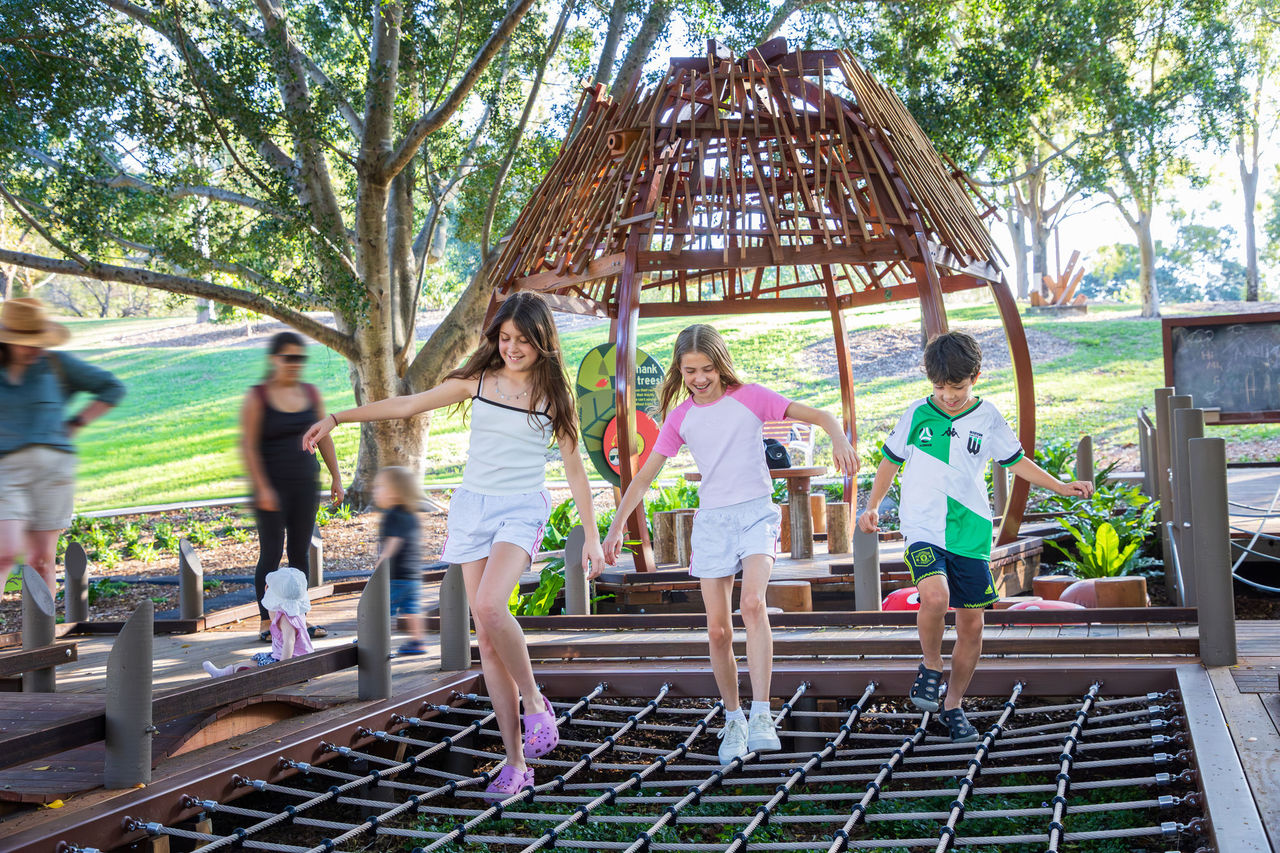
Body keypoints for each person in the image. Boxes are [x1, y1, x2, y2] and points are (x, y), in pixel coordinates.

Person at [303, 291, 606, 799]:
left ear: (542, 341)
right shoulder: (479, 381)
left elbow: (574, 468)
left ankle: (535, 700)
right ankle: (514, 763)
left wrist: (593, 535)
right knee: (486, 637)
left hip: (520, 507)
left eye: (522, 340)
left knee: (490, 604)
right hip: (473, 509)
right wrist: (337, 417)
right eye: (504, 338)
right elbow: (409, 404)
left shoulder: (555, 397)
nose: (511, 348)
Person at [601, 323, 858, 765]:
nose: (699, 378)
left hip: (755, 513)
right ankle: (734, 718)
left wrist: (837, 436)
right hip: (713, 524)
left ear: (720, 364)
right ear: (679, 371)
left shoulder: (751, 396)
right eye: (689, 370)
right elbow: (644, 477)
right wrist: (615, 527)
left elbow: (822, 416)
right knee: (718, 630)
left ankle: (762, 714)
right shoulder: (681, 417)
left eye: (706, 368)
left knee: (753, 605)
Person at [858, 331, 1094, 742]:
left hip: (971, 532)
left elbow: (1016, 461)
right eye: (940, 387)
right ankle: (930, 666)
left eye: (958, 387)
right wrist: (874, 504)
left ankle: (952, 707)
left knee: (972, 626)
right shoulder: (916, 415)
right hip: (924, 527)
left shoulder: (987, 418)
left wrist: (1059, 486)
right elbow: (889, 462)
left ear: (976, 378)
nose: (949, 396)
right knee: (935, 597)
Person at [0, 298, 124, 597]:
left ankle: (42, 639)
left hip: (53, 473)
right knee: (5, 552)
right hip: (6, 473)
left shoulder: (56, 364)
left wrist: (78, 422)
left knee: (41, 560)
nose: (35, 348)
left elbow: (112, 387)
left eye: (38, 340)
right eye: (26, 341)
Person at [241, 331, 343, 642]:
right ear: (274, 360)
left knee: (299, 554)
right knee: (270, 554)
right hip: (270, 489)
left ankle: (299, 619)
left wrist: (336, 477)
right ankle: (265, 621)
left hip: (304, 486)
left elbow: (323, 435)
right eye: (288, 358)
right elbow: (248, 446)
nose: (294, 364)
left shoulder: (310, 394)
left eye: (300, 358)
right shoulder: (258, 396)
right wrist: (262, 488)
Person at [202, 565, 313, 676]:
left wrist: (282, 668)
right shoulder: (296, 612)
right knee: (257, 659)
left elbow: (290, 641)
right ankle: (236, 671)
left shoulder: (286, 619)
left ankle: (225, 673)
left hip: (292, 664)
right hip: (296, 659)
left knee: (254, 663)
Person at [372, 465, 428, 655]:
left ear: (395, 492)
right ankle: (417, 641)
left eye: (380, 486)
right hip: (412, 576)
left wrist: (381, 564)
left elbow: (393, 543)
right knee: (411, 609)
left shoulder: (392, 516)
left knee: (383, 608)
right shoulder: (411, 515)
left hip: (394, 576)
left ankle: (377, 640)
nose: (375, 491)